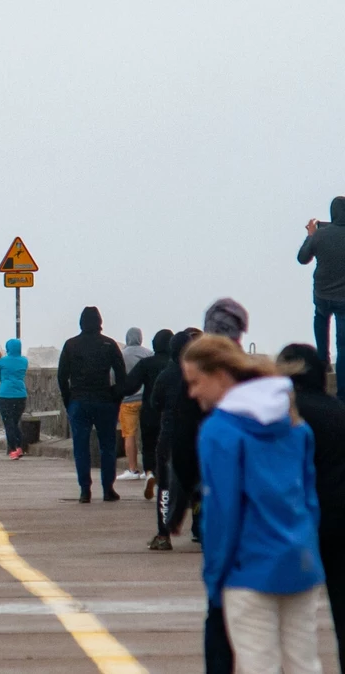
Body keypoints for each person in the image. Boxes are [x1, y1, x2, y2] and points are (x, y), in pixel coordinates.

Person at [184, 335, 324, 674]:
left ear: (220, 375)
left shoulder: (219, 431)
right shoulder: (293, 422)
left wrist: (215, 578)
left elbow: (222, 513)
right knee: (304, 662)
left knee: (258, 665)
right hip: (300, 563)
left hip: (249, 570)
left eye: (195, 381)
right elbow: (309, 500)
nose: (192, 393)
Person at [168, 299, 249, 674]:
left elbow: (181, 440)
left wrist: (191, 491)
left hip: (222, 503)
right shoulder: (262, 378)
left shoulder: (201, 375)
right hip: (278, 534)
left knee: (219, 615)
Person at [278, 343, 345, 674]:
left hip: (295, 526)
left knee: (288, 621)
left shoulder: (285, 415)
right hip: (340, 522)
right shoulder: (338, 411)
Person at [58, 307, 127, 503]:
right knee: (107, 446)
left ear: (81, 322)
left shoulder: (71, 345)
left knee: (80, 447)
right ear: (99, 322)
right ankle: (108, 489)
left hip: (79, 401)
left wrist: (68, 400)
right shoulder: (108, 344)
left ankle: (85, 490)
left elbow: (62, 376)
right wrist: (116, 398)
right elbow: (121, 375)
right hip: (105, 401)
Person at [146, 328, 198, 551]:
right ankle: (202, 530)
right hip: (195, 437)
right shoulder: (199, 374)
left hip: (169, 437)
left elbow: (154, 403)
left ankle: (163, 534)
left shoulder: (166, 376)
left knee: (165, 487)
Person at [298, 196, 345, 402]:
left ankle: (323, 361)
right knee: (343, 346)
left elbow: (302, 258)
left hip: (322, 294)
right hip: (344, 299)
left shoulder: (320, 236)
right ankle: (342, 395)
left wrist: (311, 235)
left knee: (320, 319)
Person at [120, 329, 173, 500]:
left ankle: (150, 473)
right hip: (170, 414)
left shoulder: (146, 363)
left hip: (149, 411)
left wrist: (114, 392)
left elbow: (130, 386)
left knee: (148, 445)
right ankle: (167, 478)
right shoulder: (175, 365)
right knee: (168, 446)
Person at [117, 328, 154, 480]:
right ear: (140, 338)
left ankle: (132, 469)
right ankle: (150, 471)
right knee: (149, 435)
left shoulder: (122, 355)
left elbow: (114, 376)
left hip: (127, 400)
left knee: (129, 435)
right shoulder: (148, 354)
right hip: (146, 399)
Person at [0, 339, 28, 460]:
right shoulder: (24, 361)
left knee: (8, 423)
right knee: (15, 423)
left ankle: (12, 449)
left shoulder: (3, 361)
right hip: (21, 396)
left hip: (6, 395)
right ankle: (20, 447)